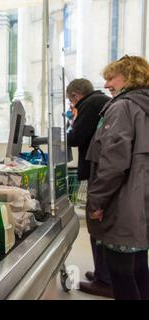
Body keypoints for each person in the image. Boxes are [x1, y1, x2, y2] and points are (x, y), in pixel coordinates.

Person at [86, 55, 149, 300]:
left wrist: (96, 203)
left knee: (121, 275)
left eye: (111, 78)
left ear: (130, 77)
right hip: (141, 205)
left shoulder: (123, 107)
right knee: (139, 268)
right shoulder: (143, 106)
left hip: (124, 205)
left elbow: (113, 164)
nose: (106, 85)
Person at [66, 79, 113, 298]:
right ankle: (104, 274)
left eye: (70, 100)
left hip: (97, 170)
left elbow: (76, 138)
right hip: (102, 168)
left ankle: (104, 279)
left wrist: (65, 129)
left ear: (76, 95)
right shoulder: (101, 101)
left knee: (96, 225)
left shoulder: (88, 105)